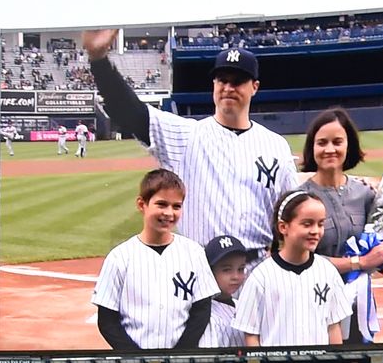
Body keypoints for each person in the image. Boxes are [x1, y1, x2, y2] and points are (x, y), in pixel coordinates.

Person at [80, 31, 293, 252]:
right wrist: (99, 61)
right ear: (214, 83)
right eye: (222, 80)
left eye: (238, 81)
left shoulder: (276, 146)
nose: (228, 87)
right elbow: (130, 112)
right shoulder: (187, 136)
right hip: (200, 271)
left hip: (258, 272)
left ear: (255, 87)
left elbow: (292, 213)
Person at [293, 107, 383, 345]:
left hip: (356, 301)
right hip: (312, 302)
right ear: (312, 148)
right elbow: (297, 259)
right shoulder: (300, 198)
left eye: (337, 141)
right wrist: (360, 263)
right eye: (321, 142)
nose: (329, 149)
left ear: (348, 146)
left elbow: (372, 246)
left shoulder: (365, 194)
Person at [93, 169, 214, 352]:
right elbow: (107, 320)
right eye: (161, 204)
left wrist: (179, 354)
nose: (169, 213)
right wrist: (136, 359)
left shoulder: (194, 253)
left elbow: (201, 311)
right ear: (142, 205)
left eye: (176, 206)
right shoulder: (120, 257)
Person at [236, 193, 351, 348]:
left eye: (320, 224)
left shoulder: (328, 271)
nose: (315, 231)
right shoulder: (261, 276)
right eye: (307, 224)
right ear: (283, 227)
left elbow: (333, 328)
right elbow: (251, 335)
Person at [201, 235, 255, 349]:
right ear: (209, 271)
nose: (235, 276)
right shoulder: (205, 314)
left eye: (240, 269)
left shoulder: (241, 305)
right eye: (226, 270)